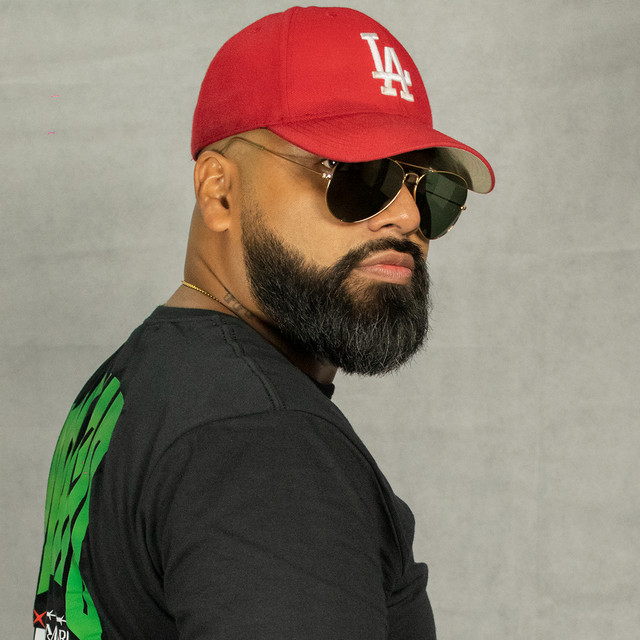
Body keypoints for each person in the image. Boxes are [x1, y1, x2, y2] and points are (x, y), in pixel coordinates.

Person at [32, 6, 494, 640]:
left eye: (430, 187)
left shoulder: (134, 382)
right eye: (358, 175)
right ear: (219, 191)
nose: (407, 216)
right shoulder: (264, 445)